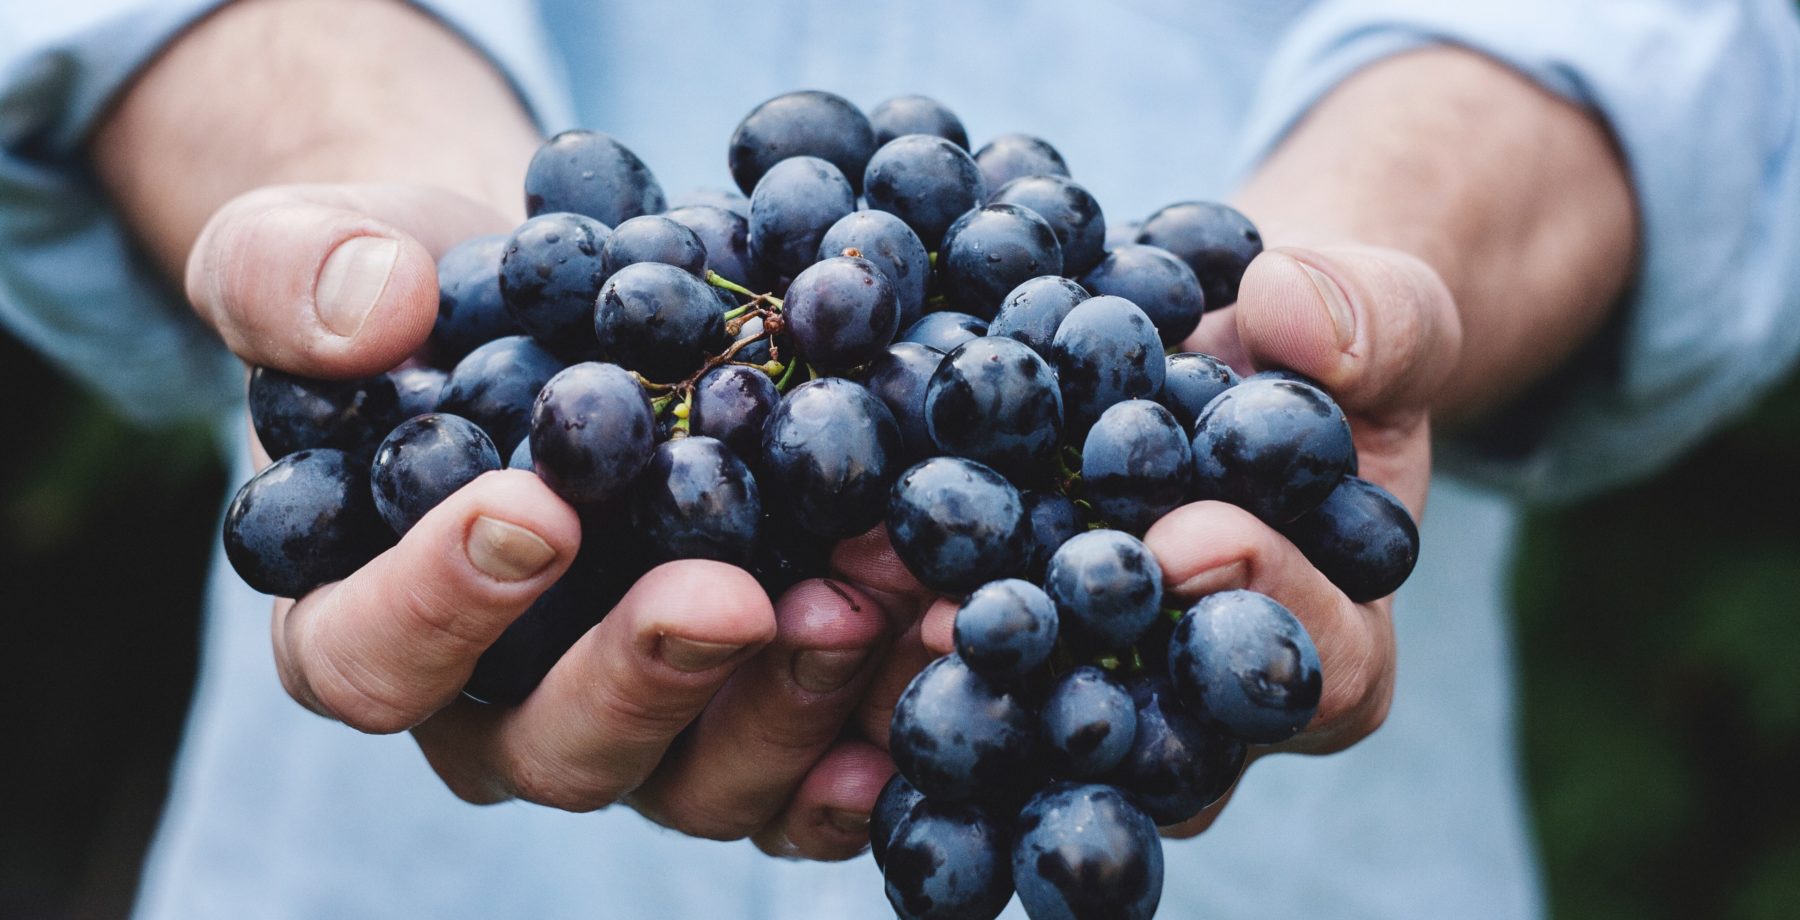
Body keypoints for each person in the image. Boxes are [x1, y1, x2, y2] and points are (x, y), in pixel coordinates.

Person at [3, 0, 1797, 917]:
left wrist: (1360, 267)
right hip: (387, 852)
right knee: (523, 546)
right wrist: (362, 215)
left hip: (1271, 753)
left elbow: (1674, 40)